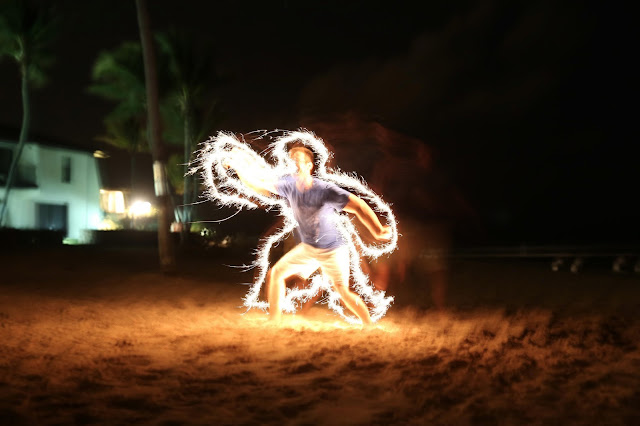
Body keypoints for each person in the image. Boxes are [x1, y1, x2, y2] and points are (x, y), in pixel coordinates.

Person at [224, 145, 391, 325]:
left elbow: (358, 206)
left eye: (298, 160)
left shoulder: (325, 190)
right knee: (275, 274)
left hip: (333, 250)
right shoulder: (288, 185)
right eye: (291, 160)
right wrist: (238, 167)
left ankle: (368, 324)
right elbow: (260, 183)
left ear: (309, 165)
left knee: (342, 291)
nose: (293, 164)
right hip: (309, 248)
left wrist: (378, 231)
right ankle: (274, 322)